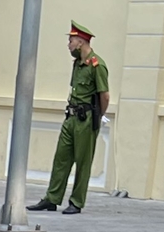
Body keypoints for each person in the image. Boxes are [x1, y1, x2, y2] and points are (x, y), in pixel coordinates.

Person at [30, 22, 109, 214]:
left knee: (83, 162)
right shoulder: (77, 64)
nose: (69, 45)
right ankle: (52, 198)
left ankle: (76, 202)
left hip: (86, 119)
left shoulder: (97, 65)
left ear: (81, 42)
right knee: (61, 159)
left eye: (71, 41)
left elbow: (104, 96)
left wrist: (98, 116)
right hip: (71, 117)